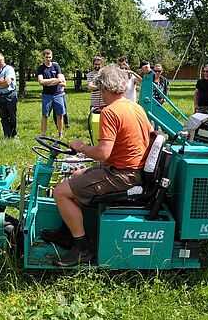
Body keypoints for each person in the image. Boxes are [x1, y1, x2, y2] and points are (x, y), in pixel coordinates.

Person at [41, 64, 153, 267]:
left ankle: (82, 248)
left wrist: (81, 146)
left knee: (60, 192)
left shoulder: (110, 112)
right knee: (75, 177)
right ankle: (68, 233)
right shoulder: (135, 107)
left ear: (103, 89)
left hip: (123, 174)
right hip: (131, 170)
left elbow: (103, 153)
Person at [37, 49, 67, 137]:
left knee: (60, 115)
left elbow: (60, 79)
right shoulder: (41, 68)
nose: (48, 59)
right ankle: (43, 134)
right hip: (47, 95)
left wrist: (48, 83)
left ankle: (60, 133)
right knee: (45, 115)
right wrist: (54, 80)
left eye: (49, 57)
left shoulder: (56, 66)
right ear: (43, 57)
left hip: (58, 94)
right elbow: (40, 81)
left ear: (52, 57)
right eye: (46, 57)